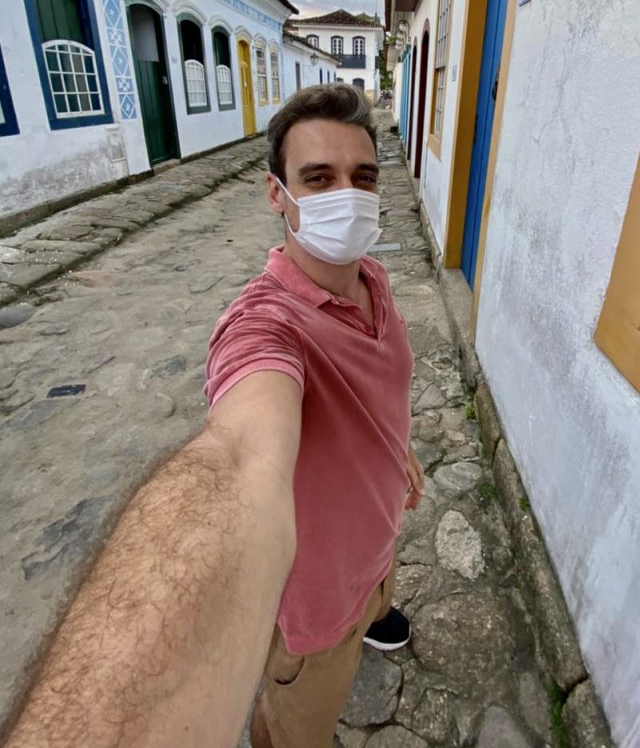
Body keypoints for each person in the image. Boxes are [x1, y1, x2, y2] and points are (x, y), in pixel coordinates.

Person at [3, 84, 423, 748]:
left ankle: (375, 609)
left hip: (376, 548)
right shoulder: (264, 325)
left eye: (362, 177)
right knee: (295, 733)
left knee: (374, 586)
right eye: (318, 179)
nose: (348, 194)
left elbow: (377, 390)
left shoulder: (375, 277)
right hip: (316, 604)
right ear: (275, 195)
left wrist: (393, 451)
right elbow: (237, 455)